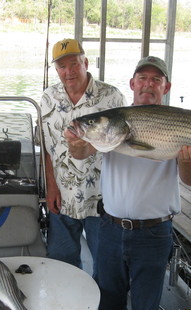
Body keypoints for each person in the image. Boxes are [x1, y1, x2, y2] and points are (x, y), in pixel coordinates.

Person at [65, 56, 191, 310]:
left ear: (166, 87)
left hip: (154, 233)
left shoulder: (178, 122)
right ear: (132, 84)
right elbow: (81, 150)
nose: (148, 84)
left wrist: (185, 159)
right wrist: (76, 139)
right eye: (142, 78)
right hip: (111, 229)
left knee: (145, 308)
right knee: (111, 301)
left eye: (156, 80)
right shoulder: (114, 123)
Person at [40, 39, 125, 277]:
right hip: (63, 197)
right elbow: (48, 149)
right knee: (62, 264)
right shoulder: (48, 98)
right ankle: (69, 308)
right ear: (56, 70)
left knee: (107, 266)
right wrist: (51, 188)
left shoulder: (112, 97)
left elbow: (122, 146)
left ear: (85, 63)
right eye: (62, 67)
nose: (69, 72)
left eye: (74, 64)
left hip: (102, 198)